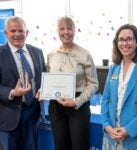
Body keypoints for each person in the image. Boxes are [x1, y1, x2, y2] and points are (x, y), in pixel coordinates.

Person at [47, 16, 98, 150]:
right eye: (62, 28)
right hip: (56, 106)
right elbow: (49, 80)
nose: (66, 32)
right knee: (60, 145)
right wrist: (43, 90)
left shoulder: (84, 54)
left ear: (75, 31)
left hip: (78, 106)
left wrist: (76, 101)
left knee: (79, 145)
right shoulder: (51, 54)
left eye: (69, 28)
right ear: (57, 31)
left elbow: (94, 84)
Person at [101, 24, 137, 150]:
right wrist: (106, 125)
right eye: (121, 39)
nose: (125, 43)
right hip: (112, 134)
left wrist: (128, 130)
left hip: (136, 135)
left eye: (129, 39)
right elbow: (105, 98)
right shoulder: (114, 68)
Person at [0, 16, 46, 150]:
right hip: (8, 115)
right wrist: (12, 92)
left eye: (21, 30)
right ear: (6, 33)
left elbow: (44, 76)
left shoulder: (37, 52)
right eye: (13, 31)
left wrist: (44, 89)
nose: (17, 34)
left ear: (27, 32)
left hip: (33, 112)